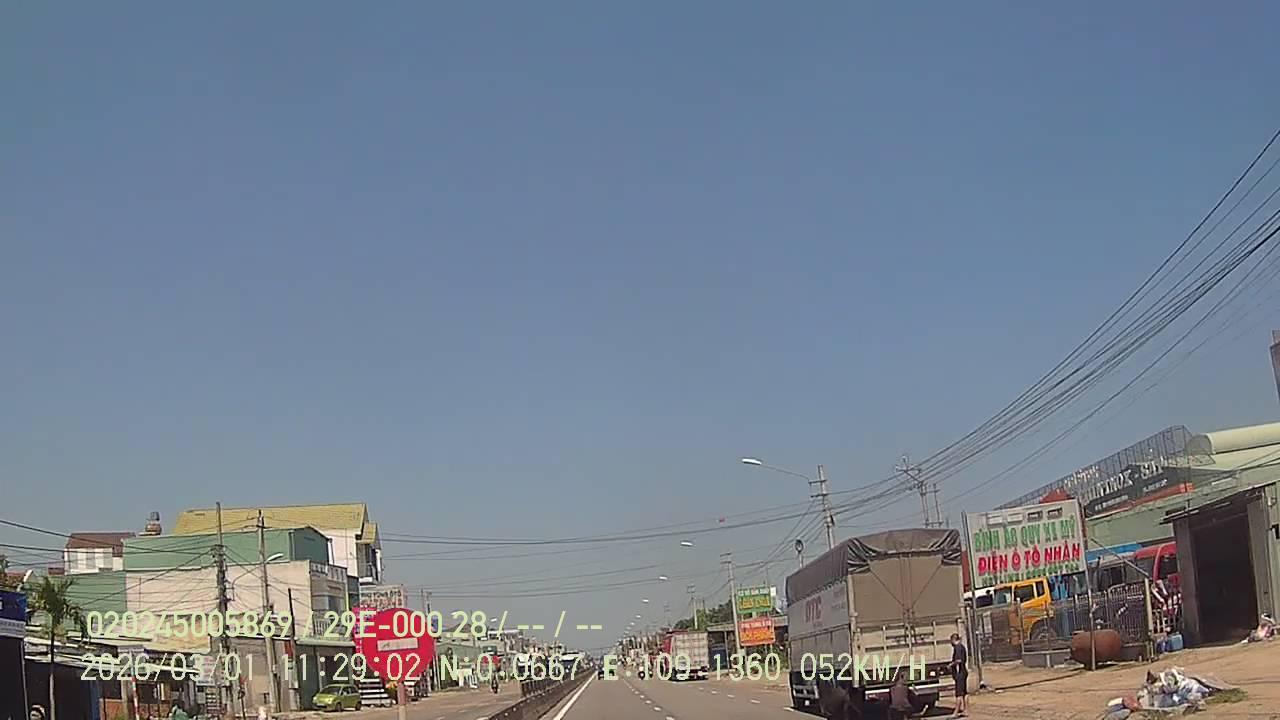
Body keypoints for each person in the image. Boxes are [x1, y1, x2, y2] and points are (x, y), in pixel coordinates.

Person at [949, 632, 969, 718]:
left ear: (953, 640)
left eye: (951, 641)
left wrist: (951, 665)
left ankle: (956, 712)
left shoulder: (957, 648)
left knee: (959, 694)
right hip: (964, 672)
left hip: (959, 673)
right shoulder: (962, 647)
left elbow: (958, 660)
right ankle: (966, 710)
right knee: (964, 693)